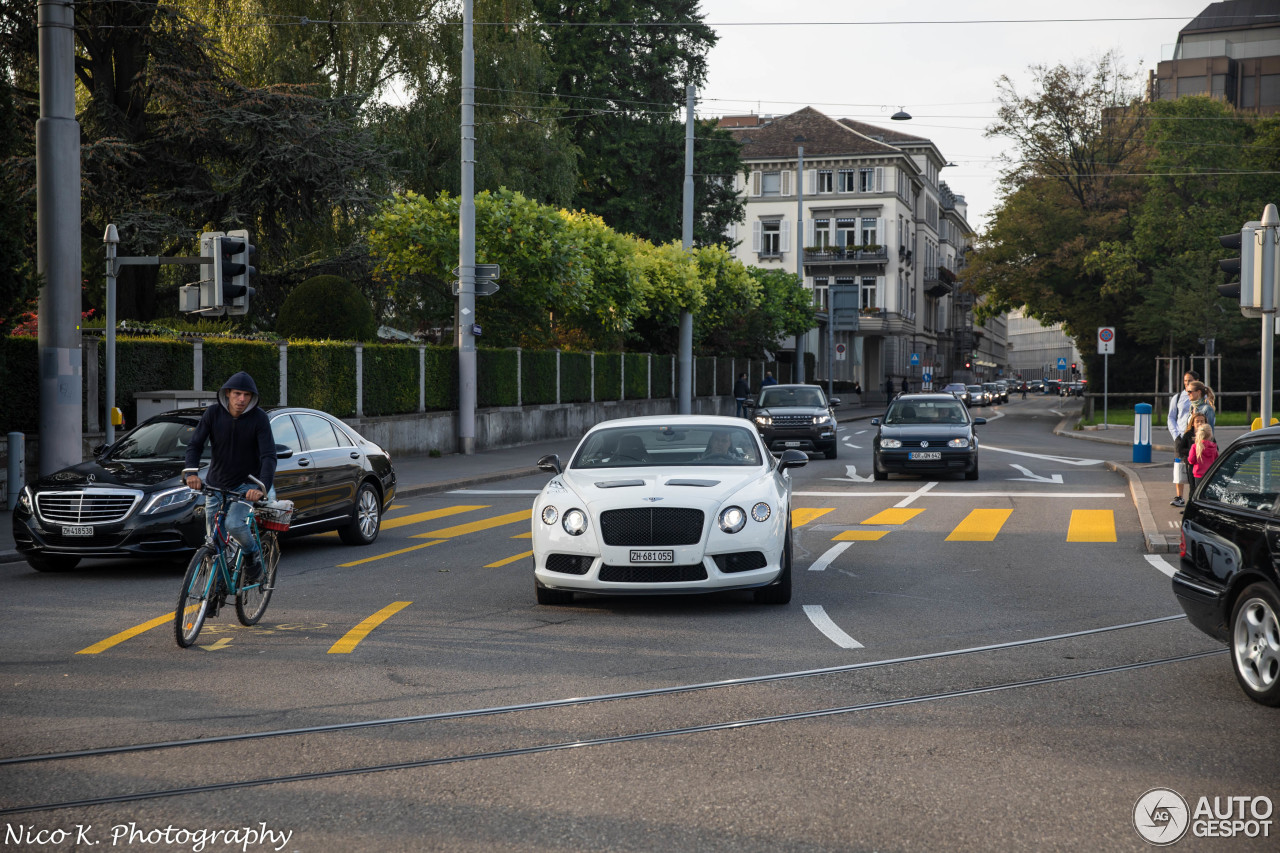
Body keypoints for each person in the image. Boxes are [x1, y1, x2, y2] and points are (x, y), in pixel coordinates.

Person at [183, 371, 277, 582]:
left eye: (246, 395)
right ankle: (215, 591)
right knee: (212, 542)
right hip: (216, 485)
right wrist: (191, 472)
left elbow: (269, 456)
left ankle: (252, 553)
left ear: (252, 397)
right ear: (227, 394)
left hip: (245, 486)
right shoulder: (213, 414)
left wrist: (261, 488)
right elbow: (195, 445)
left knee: (234, 524)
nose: (242, 399)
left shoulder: (259, 418)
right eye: (237, 394)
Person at [1167, 370, 1198, 508]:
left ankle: (1195, 497)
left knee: (1196, 467)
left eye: (1190, 380)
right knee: (1179, 465)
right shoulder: (1178, 397)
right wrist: (1176, 435)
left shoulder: (1201, 397)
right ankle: (1179, 497)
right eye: (1185, 381)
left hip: (1196, 436)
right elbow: (1171, 417)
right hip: (1180, 436)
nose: (1187, 383)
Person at [1186, 422, 1218, 493]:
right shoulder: (1214, 446)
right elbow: (1216, 460)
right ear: (1210, 435)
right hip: (1210, 473)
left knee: (1199, 493)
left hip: (1198, 474)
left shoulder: (1195, 446)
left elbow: (1191, 460)